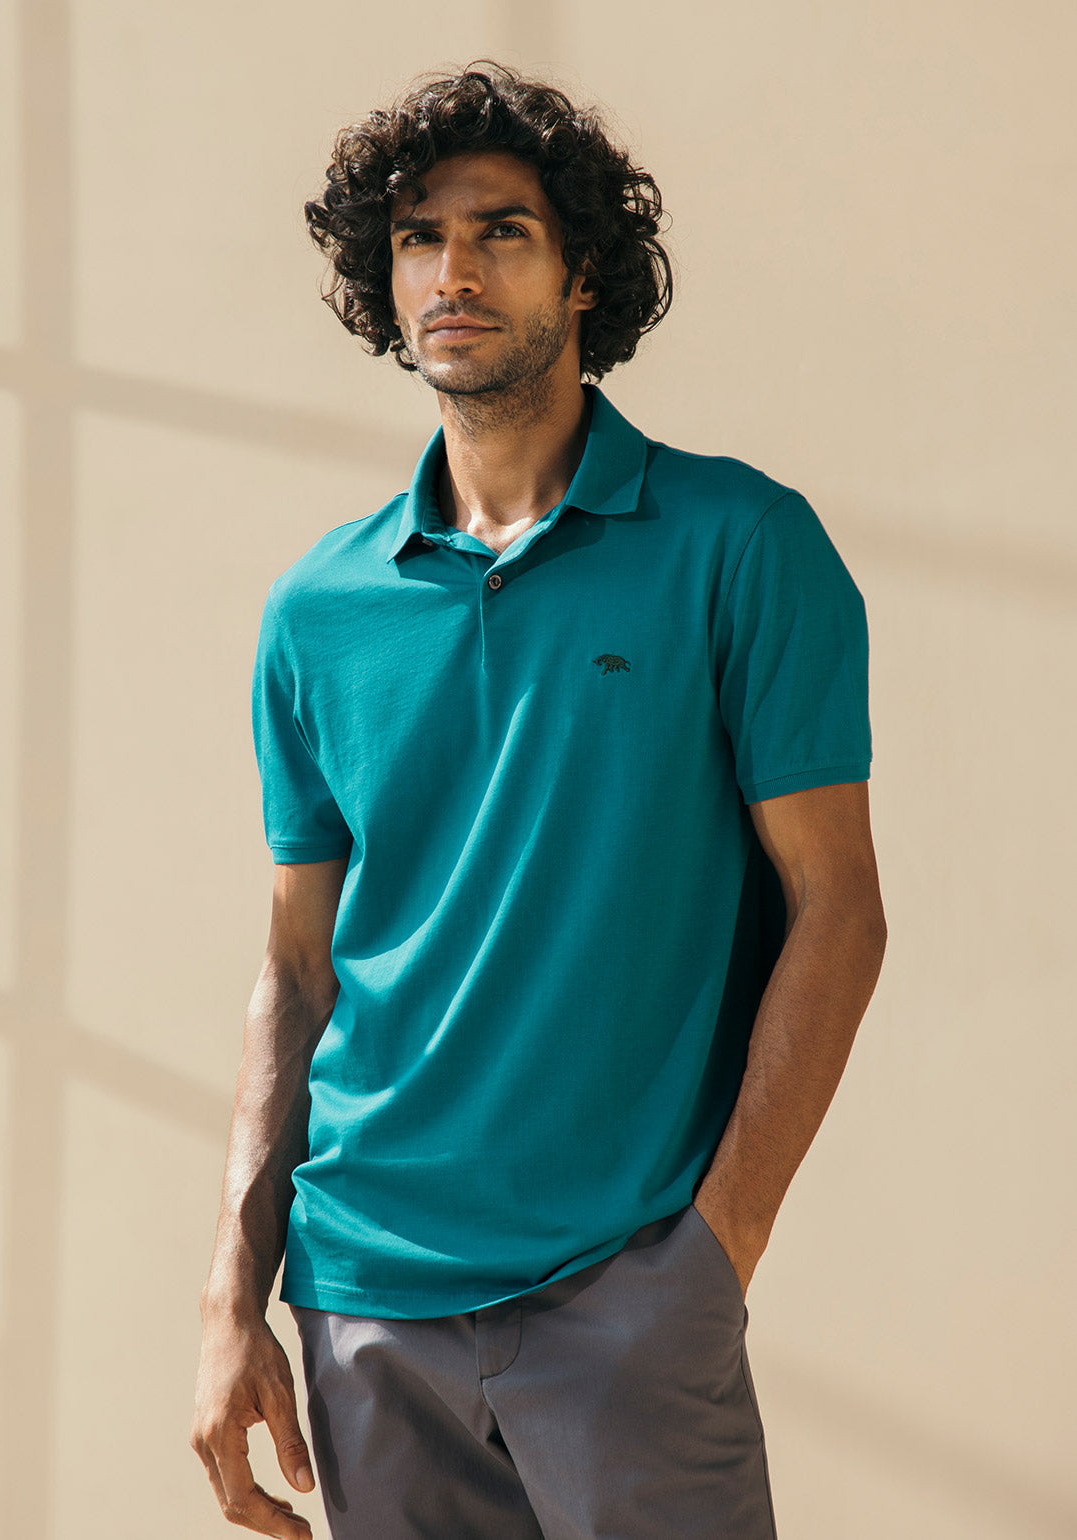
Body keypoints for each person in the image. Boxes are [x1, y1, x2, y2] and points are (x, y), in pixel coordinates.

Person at [191, 59, 888, 1540]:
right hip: (364, 1304)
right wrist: (232, 1295)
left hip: (624, 1296)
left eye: (501, 232)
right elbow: (297, 970)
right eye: (419, 239)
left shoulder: (740, 544)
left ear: (583, 276)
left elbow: (839, 908)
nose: (453, 272)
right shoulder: (318, 608)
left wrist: (716, 1250)